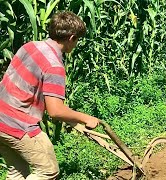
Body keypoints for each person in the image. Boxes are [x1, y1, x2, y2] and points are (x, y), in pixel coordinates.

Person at [0, 11, 100, 179]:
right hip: (18, 125)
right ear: (71, 38)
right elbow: (55, 111)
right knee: (48, 170)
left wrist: (71, 119)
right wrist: (86, 118)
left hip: (1, 118)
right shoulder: (54, 66)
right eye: (77, 40)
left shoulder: (30, 46)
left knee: (18, 172)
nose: (75, 45)